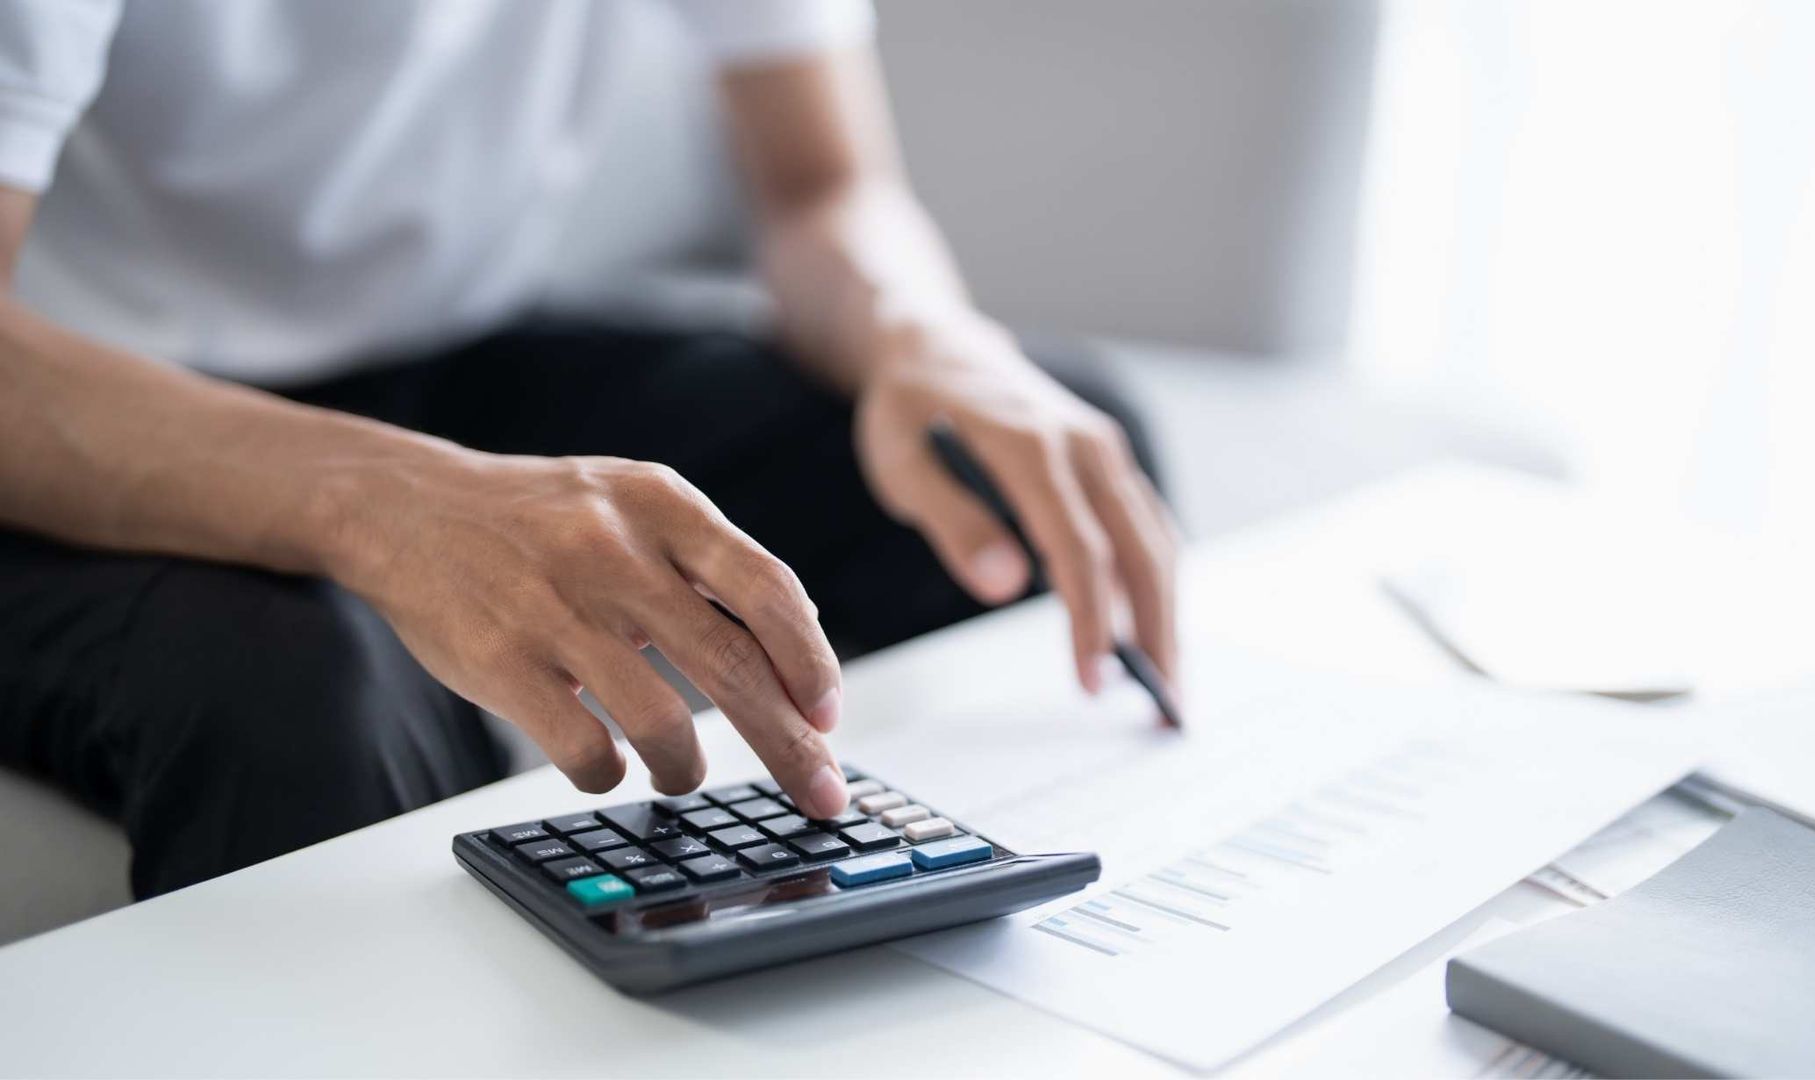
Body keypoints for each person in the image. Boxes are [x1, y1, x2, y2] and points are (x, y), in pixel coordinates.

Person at [0, 1, 1179, 898]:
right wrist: (389, 503)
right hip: (81, 408)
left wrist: (927, 333)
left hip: (448, 352)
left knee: (1010, 456)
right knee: (299, 680)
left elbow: (825, 185)